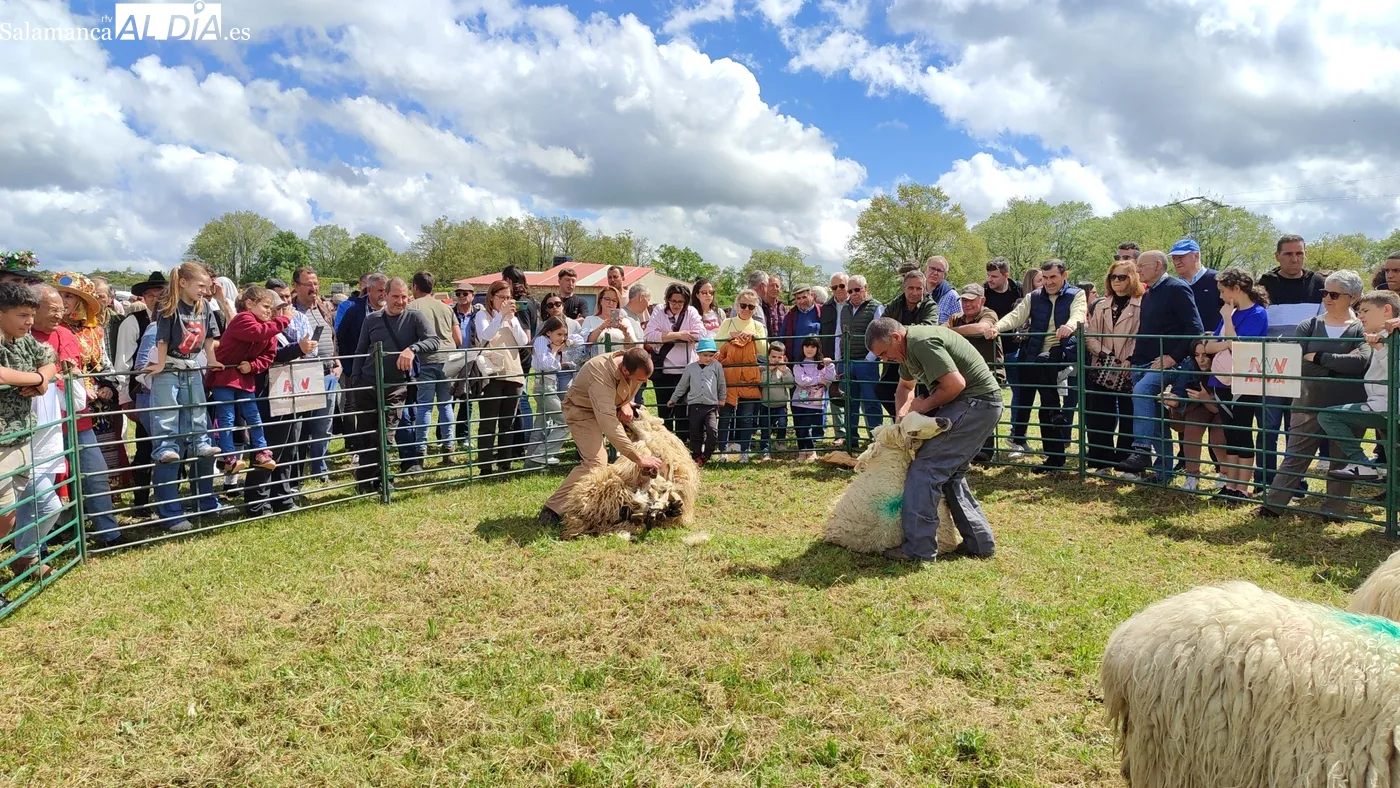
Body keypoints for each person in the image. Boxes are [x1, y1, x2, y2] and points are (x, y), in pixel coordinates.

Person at [865, 317, 1001, 562]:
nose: (885, 360)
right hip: (979, 404)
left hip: (974, 402)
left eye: (885, 353)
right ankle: (979, 543)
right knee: (951, 474)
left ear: (896, 337)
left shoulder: (921, 342)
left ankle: (919, 549)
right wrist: (902, 416)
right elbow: (905, 388)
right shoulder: (906, 351)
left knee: (925, 469)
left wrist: (923, 406)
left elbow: (955, 384)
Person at [1258, 271, 1368, 518]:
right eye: (1324, 293)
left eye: (1334, 294)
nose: (1327, 298)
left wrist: (1318, 357)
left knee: (1341, 461)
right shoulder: (1308, 325)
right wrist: (1340, 364)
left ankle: (1334, 511)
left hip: (1348, 407)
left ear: (1354, 297)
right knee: (1296, 455)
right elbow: (1297, 362)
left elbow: (1360, 363)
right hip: (1308, 401)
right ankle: (1273, 506)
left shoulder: (1363, 328)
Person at [537, 348, 663, 525]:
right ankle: (552, 510)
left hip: (610, 407)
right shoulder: (600, 373)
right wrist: (638, 458)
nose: (644, 383)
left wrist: (626, 404)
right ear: (625, 371)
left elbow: (629, 390)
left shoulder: (634, 364)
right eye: (641, 380)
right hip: (582, 410)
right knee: (595, 462)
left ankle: (602, 505)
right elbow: (609, 424)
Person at [984, 260, 1086, 472]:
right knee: (1035, 401)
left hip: (1060, 352)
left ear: (1064, 275)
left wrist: (1069, 326)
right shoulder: (1034, 297)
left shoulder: (1076, 294)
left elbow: (1079, 314)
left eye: (1053, 278)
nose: (1048, 282)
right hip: (1033, 354)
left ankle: (1054, 457)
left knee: (1044, 402)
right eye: (1045, 277)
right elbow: (1016, 316)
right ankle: (1048, 450)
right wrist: (996, 327)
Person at [144, 263, 222, 533]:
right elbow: (162, 339)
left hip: (192, 368)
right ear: (183, 283)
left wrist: (212, 361)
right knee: (168, 425)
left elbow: (211, 338)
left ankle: (204, 496)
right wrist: (160, 363)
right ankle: (170, 511)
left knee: (198, 411)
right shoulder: (169, 308)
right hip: (170, 368)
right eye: (201, 286)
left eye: (207, 287)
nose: (205, 291)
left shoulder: (204, 309)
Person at [1115, 250, 1205, 481]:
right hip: (1143, 362)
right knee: (1154, 417)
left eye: (1142, 266)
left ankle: (1141, 449)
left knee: (1143, 391)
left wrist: (1173, 358)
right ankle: (1163, 472)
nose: (1138, 270)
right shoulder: (1148, 293)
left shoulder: (1177, 288)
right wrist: (1134, 360)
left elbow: (1195, 329)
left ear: (1157, 266)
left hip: (1168, 362)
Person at [348, 278, 441, 490]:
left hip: (396, 385)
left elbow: (433, 340)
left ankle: (379, 479)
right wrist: (355, 380)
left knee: (386, 435)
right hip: (368, 383)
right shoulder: (372, 320)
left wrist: (412, 349)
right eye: (395, 296)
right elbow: (361, 350)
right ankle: (368, 482)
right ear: (385, 295)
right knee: (367, 435)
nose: (400, 301)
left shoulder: (415, 317)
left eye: (404, 296)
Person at [0, 283, 58, 595]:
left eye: (31, 315)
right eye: (22, 315)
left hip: (22, 438)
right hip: (1, 442)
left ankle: (24, 559)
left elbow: (50, 358)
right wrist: (38, 379)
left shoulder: (25, 341)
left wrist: (44, 376)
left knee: (46, 504)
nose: (29, 322)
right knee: (4, 515)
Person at [1200, 269, 1270, 501]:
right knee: (1229, 434)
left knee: (1242, 432)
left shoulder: (1257, 314)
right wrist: (1227, 338)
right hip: (1220, 380)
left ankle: (1242, 488)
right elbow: (1209, 347)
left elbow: (1239, 346)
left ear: (1236, 289)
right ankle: (1230, 485)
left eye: (1222, 291)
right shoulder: (1227, 313)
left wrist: (1228, 322)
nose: (1220, 297)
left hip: (1243, 381)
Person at [207, 286, 291, 475]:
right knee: (226, 416)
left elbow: (268, 355)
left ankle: (261, 452)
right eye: (266, 306)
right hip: (224, 375)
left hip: (244, 377)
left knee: (253, 415)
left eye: (273, 308)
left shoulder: (268, 328)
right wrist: (284, 320)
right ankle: (228, 456)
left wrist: (253, 366)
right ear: (249, 304)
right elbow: (256, 332)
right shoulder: (243, 319)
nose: (270, 311)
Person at [1320, 290, 1400, 482]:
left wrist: (1380, 350)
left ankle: (1362, 463)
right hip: (1384, 405)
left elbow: (1396, 373)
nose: (1360, 315)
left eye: (1365, 310)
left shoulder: (1392, 338)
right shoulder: (1381, 336)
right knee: (1394, 459)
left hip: (1388, 406)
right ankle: (1393, 497)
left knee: (1328, 416)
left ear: (1387, 310)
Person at [1082, 260, 1143, 469]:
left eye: (1122, 277)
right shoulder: (1101, 305)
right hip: (1102, 366)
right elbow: (1090, 336)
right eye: (1113, 277)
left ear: (1133, 278)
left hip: (1129, 367)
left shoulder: (1142, 304)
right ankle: (1101, 459)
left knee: (1129, 415)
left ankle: (1125, 460)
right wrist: (1106, 354)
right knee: (1099, 415)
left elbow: (1142, 336)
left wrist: (1129, 359)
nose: (1116, 281)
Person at [472, 280, 530, 476]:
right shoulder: (483, 315)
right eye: (502, 297)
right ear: (492, 297)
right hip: (492, 373)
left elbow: (523, 341)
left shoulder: (513, 318)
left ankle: (505, 463)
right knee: (488, 421)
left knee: (508, 421)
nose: (506, 301)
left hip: (513, 373)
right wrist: (500, 317)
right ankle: (485, 466)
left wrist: (512, 320)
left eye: (508, 298)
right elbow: (485, 335)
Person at [407, 271, 462, 466]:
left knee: (424, 406)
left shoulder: (412, 307)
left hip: (427, 359)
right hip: (448, 360)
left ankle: (420, 452)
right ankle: (449, 451)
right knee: (446, 405)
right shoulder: (446, 307)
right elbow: (458, 339)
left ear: (415, 286)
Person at [290, 268, 340, 481]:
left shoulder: (323, 308)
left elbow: (332, 336)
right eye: (308, 284)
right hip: (303, 374)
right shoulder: (291, 311)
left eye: (316, 284)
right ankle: (297, 474)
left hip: (329, 373)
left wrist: (337, 360)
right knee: (300, 427)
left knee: (324, 426)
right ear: (296, 286)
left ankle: (320, 468)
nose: (314, 288)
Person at [1161, 340, 1225, 492]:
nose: (1201, 359)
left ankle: (1226, 474)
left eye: (1205, 355)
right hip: (1198, 406)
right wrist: (1175, 400)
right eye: (1197, 355)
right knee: (1191, 432)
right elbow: (1180, 389)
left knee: (1218, 439)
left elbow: (1219, 408)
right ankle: (1192, 476)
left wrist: (1206, 398)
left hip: (1223, 409)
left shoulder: (1224, 365)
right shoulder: (1190, 364)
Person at [716, 290, 768, 461]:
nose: (746, 309)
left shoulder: (758, 326)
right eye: (743, 305)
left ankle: (744, 451)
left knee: (746, 418)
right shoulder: (728, 323)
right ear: (737, 305)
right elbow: (716, 344)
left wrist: (754, 337)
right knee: (725, 416)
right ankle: (722, 451)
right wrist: (731, 336)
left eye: (751, 306)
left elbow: (763, 351)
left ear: (755, 308)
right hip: (728, 378)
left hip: (748, 378)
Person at [644, 283, 701, 438]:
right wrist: (678, 335)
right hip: (663, 371)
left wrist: (664, 335)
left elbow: (700, 334)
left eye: (680, 302)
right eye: (673, 301)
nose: (676, 305)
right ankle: (666, 446)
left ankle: (682, 446)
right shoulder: (659, 311)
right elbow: (649, 336)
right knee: (664, 412)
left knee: (682, 411)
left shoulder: (691, 312)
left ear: (686, 302)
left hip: (685, 370)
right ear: (667, 300)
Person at [878, 271, 936, 419]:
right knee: (882, 389)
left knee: (923, 396)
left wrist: (896, 330)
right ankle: (901, 421)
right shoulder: (895, 304)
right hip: (895, 358)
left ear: (924, 289)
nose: (915, 292)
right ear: (904, 287)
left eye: (919, 288)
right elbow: (882, 326)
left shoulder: (930, 306)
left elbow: (926, 328)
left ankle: (918, 426)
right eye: (911, 288)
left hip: (920, 360)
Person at [1003, 267, 1042, 457]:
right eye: (1040, 280)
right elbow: (1020, 331)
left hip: (1042, 357)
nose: (1045, 284)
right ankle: (1016, 437)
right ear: (1031, 283)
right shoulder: (1023, 303)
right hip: (1022, 355)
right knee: (1020, 396)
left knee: (1042, 400)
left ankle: (1027, 439)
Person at [526, 316, 575, 467]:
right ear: (548, 332)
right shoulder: (542, 341)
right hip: (544, 388)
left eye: (564, 334)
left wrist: (569, 341)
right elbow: (547, 365)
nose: (563, 338)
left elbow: (578, 339)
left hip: (548, 387)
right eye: (559, 334)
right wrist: (555, 349)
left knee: (540, 426)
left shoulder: (549, 342)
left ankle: (531, 464)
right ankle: (542, 454)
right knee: (565, 422)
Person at [669, 337, 726, 465]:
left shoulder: (717, 366)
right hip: (695, 406)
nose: (708, 358)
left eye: (711, 355)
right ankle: (696, 456)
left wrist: (722, 398)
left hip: (711, 406)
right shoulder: (690, 368)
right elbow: (682, 385)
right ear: (698, 353)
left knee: (712, 432)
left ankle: (706, 455)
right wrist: (674, 398)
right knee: (695, 432)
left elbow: (722, 383)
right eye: (705, 355)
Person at [840, 274, 885, 437]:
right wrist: (840, 358)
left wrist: (869, 359)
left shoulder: (876, 307)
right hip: (847, 361)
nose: (853, 294)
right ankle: (851, 439)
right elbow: (839, 333)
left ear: (866, 288)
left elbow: (881, 335)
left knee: (871, 401)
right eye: (850, 290)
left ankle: (876, 439)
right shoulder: (844, 308)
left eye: (857, 290)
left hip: (867, 362)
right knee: (849, 402)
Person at [790, 336, 837, 461]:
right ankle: (802, 451)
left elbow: (830, 378)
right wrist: (817, 379)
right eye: (806, 346)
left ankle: (811, 450)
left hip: (815, 402)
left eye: (813, 346)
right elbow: (800, 380)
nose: (809, 349)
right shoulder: (798, 364)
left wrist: (830, 364)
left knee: (805, 426)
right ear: (802, 348)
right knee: (799, 428)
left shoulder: (822, 363)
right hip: (798, 401)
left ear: (818, 348)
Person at [1169, 239, 1222, 333]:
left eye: (1181, 257)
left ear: (1196, 256)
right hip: (1183, 345)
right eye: (1174, 258)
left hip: (1213, 344)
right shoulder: (1173, 286)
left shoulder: (1218, 281)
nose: (1177, 262)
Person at [820, 272, 849, 441]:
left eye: (841, 286)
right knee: (835, 394)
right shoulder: (826, 307)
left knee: (854, 394)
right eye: (834, 287)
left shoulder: (854, 304)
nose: (838, 289)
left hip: (851, 355)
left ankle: (857, 432)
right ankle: (840, 434)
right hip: (832, 357)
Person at [757, 341, 793, 460]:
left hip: (781, 404)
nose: (776, 360)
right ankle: (765, 450)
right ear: (768, 357)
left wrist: (784, 372)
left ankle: (780, 441)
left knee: (783, 424)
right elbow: (762, 383)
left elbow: (790, 385)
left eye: (779, 357)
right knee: (765, 428)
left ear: (784, 358)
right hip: (766, 405)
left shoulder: (785, 369)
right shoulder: (763, 369)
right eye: (773, 357)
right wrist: (769, 370)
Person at [579, 286, 638, 353]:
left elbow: (632, 349)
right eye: (607, 299)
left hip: (619, 360)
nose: (611, 303)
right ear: (600, 301)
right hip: (598, 361)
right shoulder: (590, 320)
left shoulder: (625, 322)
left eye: (614, 300)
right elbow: (585, 345)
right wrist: (601, 327)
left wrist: (625, 333)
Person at [924, 256, 956, 322]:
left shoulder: (952, 296)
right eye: (932, 268)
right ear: (925, 269)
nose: (935, 273)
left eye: (939, 270)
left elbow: (959, 322)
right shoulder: (916, 291)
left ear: (944, 275)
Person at [760, 275, 787, 340]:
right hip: (764, 346)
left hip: (780, 347)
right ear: (766, 287)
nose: (775, 288)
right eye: (772, 285)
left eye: (777, 286)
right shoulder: (760, 306)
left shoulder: (782, 307)